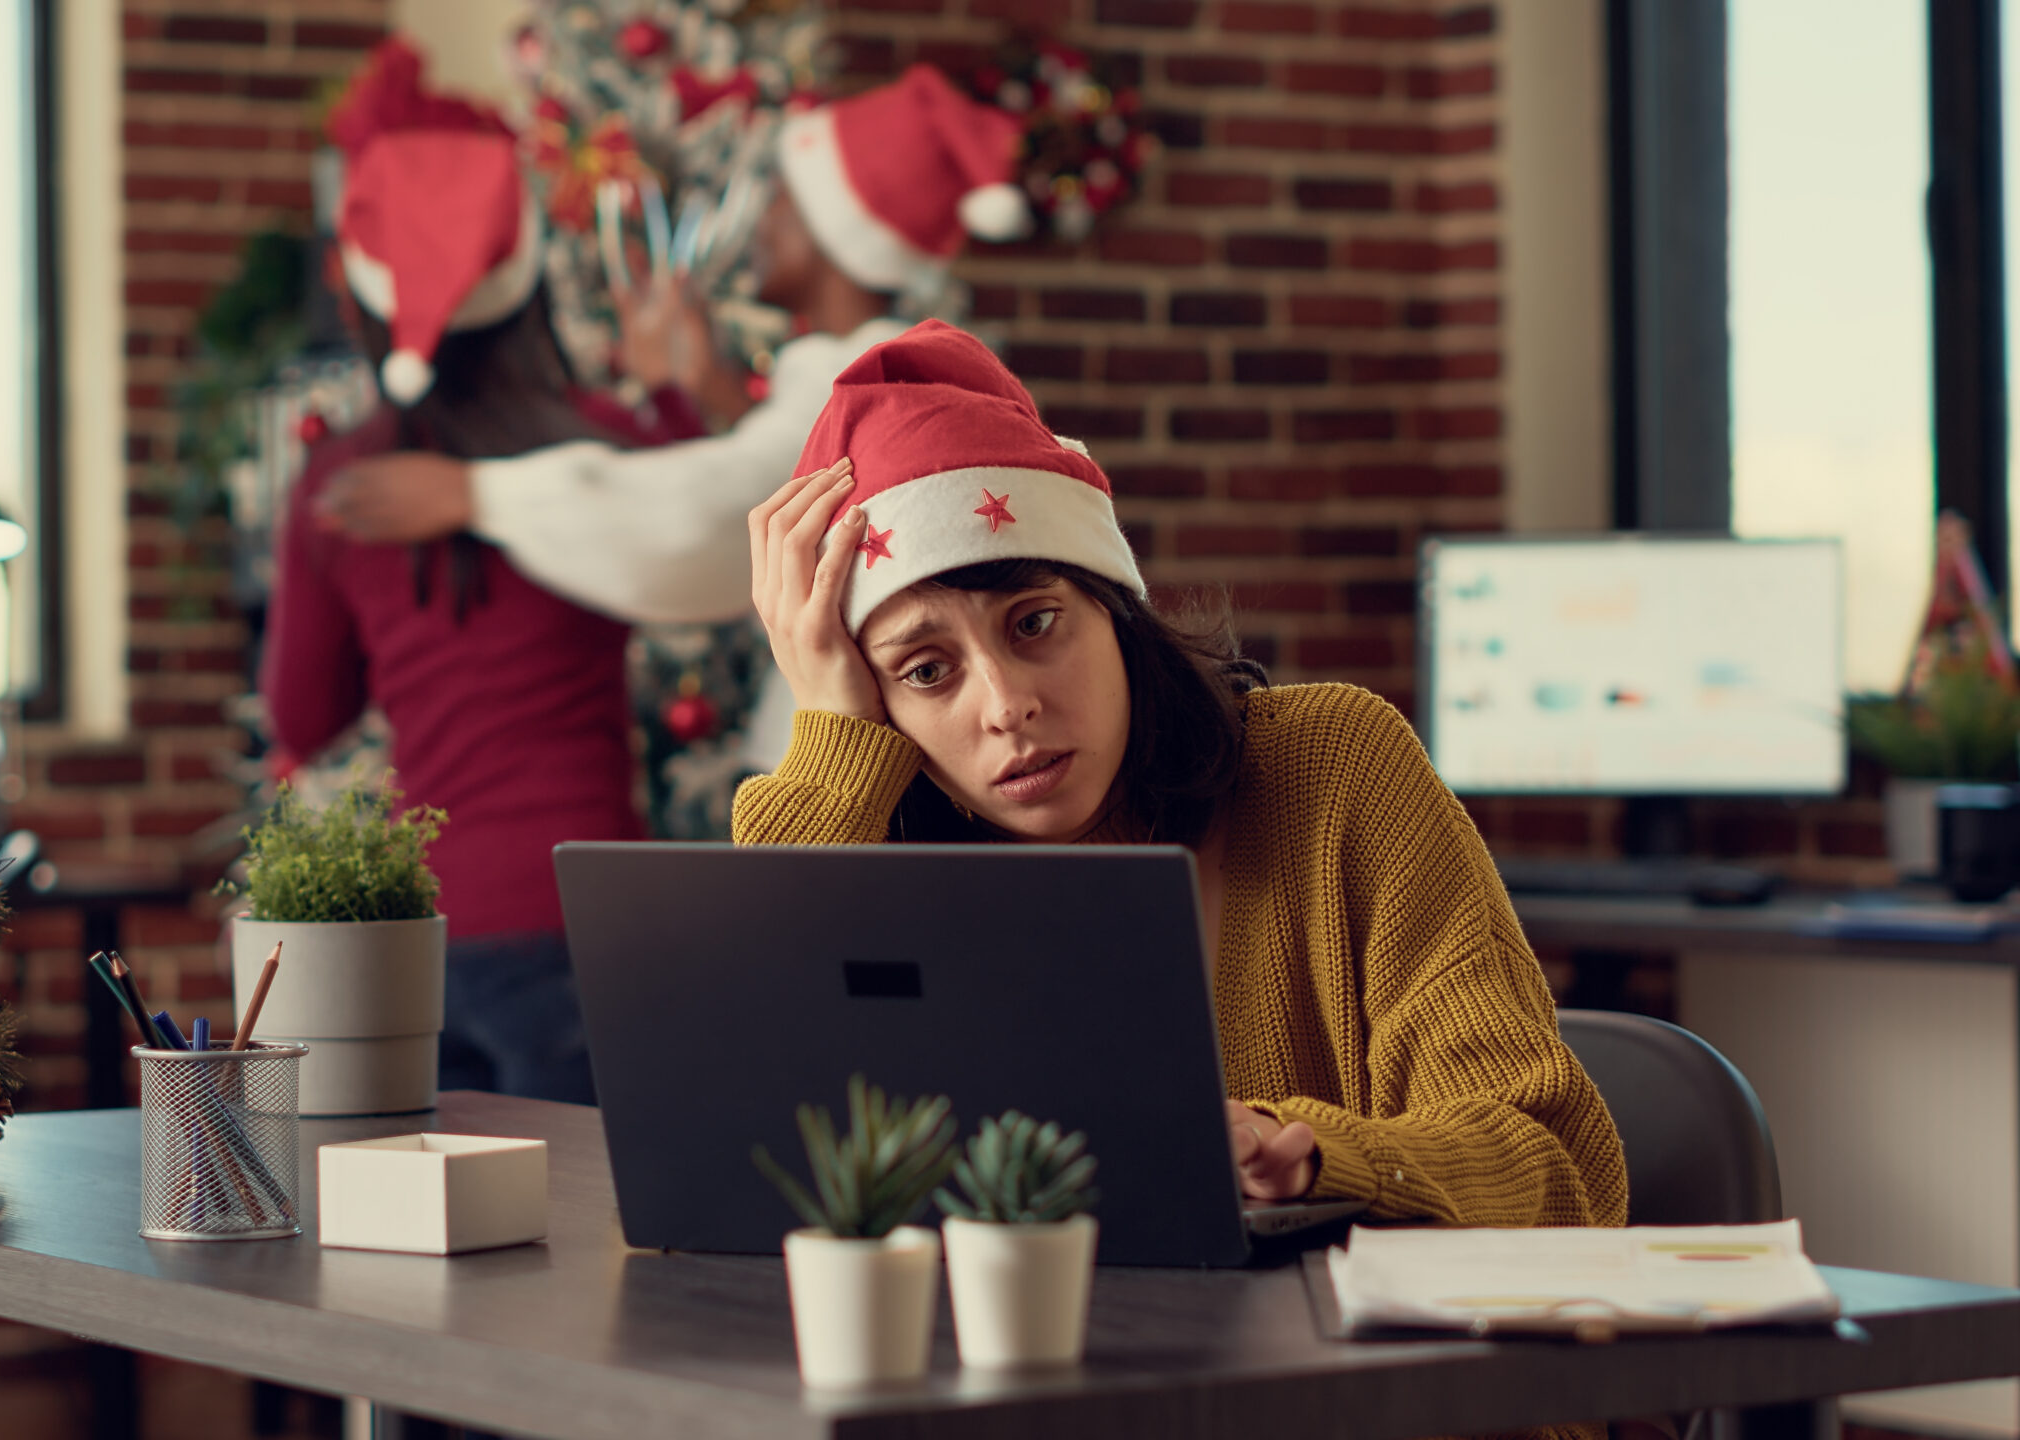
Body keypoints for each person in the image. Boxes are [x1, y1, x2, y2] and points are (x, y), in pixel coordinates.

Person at [737, 323, 1627, 1252]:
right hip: (1041, 1379)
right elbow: (746, 1138)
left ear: (1117, 610)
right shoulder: (875, 855)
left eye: (1036, 622)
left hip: (1372, 1388)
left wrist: (1314, 1154)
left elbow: (1554, 1164)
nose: (1007, 706)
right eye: (925, 672)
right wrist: (829, 742)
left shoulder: (1333, 767)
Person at [264, 46, 682, 1103]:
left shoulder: (341, 479)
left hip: (425, 941)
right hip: (594, 924)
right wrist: (671, 396)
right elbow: (693, 532)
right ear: (523, 269)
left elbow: (303, 715)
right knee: (591, 1248)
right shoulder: (604, 446)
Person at [311, 64, 1031, 633]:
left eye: (779, 198)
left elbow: (709, 514)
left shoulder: (873, 379)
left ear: (829, 230)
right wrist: (699, 382)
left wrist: (476, 493)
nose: (759, 223)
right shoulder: (851, 371)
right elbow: (788, 453)